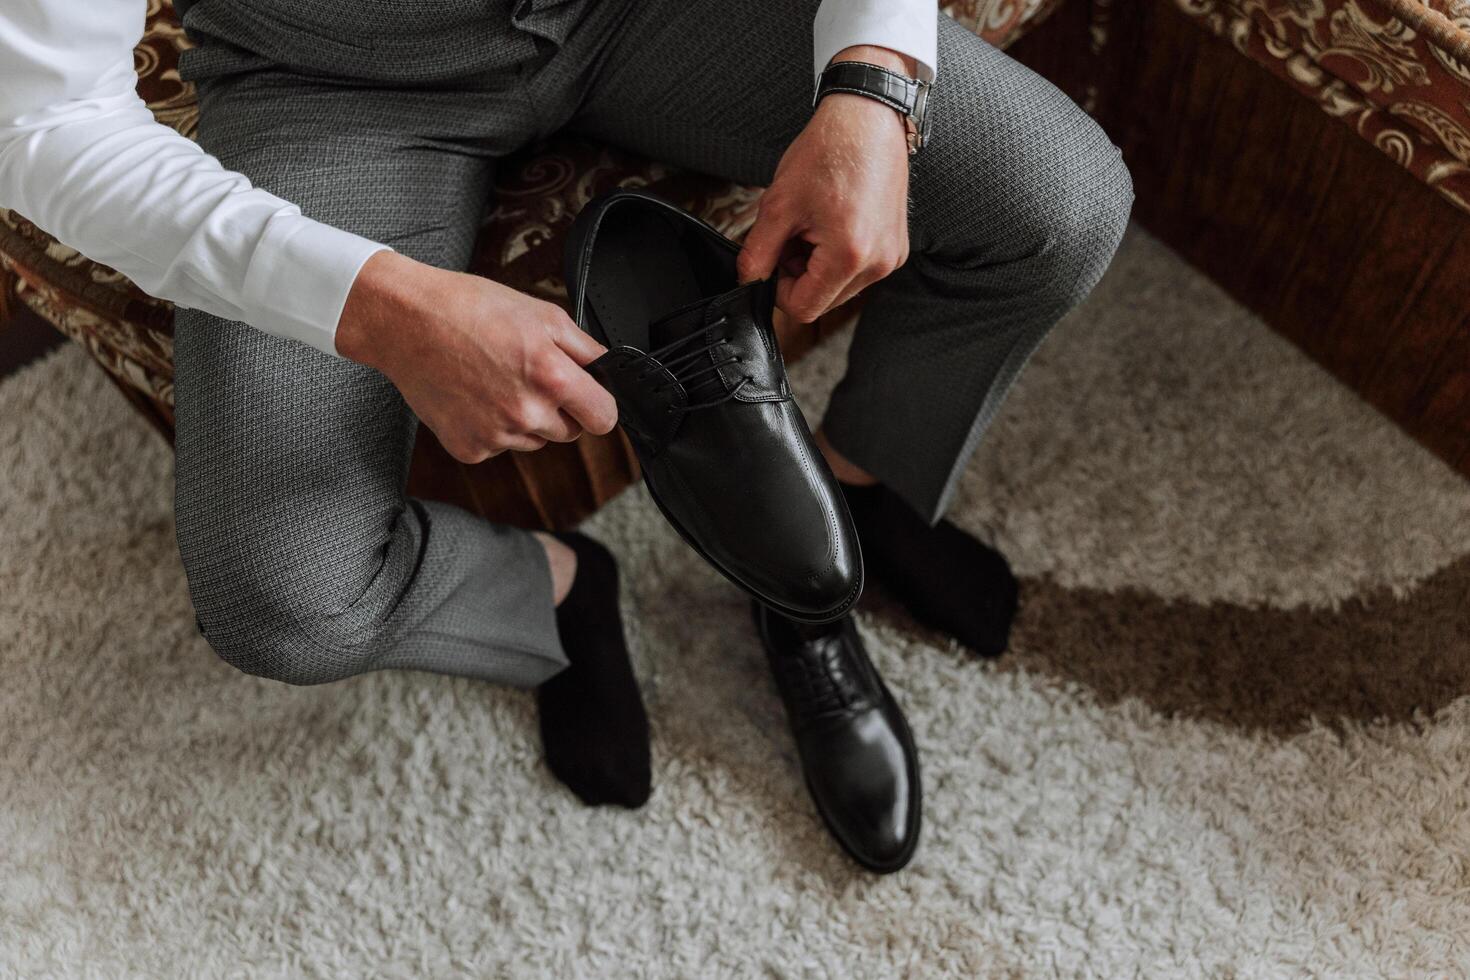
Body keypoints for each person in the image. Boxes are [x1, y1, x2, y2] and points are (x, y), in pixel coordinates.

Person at [0, 0, 1131, 868]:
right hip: (332, 73)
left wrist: (877, 81)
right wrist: (376, 303)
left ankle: (834, 513)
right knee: (280, 596)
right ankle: (555, 588)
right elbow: (46, 119)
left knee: (1059, 203)